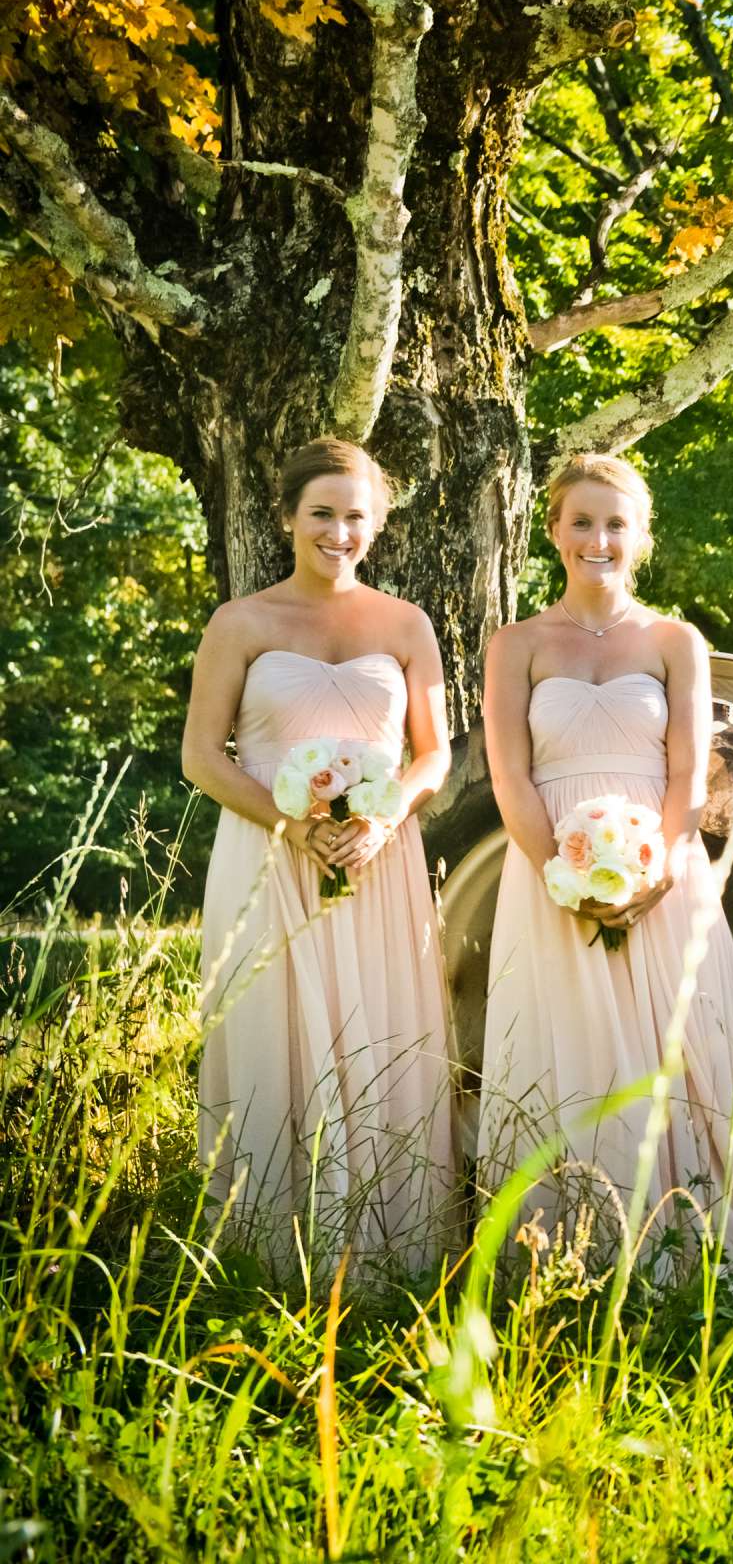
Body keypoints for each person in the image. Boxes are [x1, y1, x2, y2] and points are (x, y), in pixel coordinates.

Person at [480, 453, 733, 1266]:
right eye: (582, 521)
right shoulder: (515, 644)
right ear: (553, 531)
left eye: (616, 524)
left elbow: (689, 773)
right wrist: (562, 875)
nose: (598, 539)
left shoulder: (676, 641)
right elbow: (510, 773)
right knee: (566, 1047)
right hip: (548, 875)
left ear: (640, 537)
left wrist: (655, 869)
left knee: (676, 1052)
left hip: (663, 871)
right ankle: (570, 1252)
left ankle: (692, 1248)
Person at [184, 437, 457, 1266]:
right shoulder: (242, 622)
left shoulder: (406, 623)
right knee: (276, 1033)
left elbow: (434, 753)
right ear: (287, 518)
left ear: (376, 526)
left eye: (356, 517)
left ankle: (388, 1248)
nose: (339, 531)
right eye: (322, 514)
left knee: (377, 1030)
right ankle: (266, 1254)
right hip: (268, 853)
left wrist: (381, 820)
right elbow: (201, 757)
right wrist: (292, 824)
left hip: (378, 859)